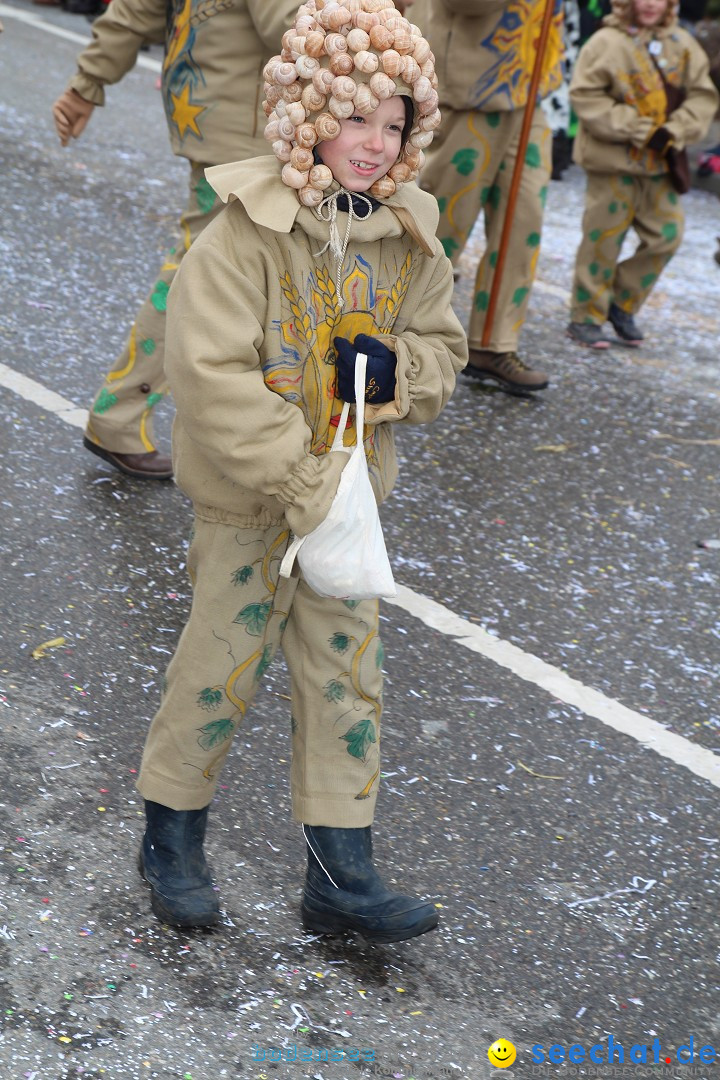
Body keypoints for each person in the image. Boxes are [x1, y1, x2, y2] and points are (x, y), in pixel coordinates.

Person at [134, 0, 468, 940]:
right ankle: (172, 838)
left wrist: (403, 371)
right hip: (253, 507)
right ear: (310, 112)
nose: (373, 142)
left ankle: (340, 872)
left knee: (346, 679)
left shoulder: (409, 236)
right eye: (355, 116)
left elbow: (443, 350)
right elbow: (210, 380)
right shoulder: (241, 233)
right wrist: (308, 483)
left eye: (394, 123)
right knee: (220, 666)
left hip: (347, 509)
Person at [52, 0, 300, 479]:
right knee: (203, 276)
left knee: (237, 276)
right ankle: (119, 416)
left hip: (208, 111)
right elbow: (291, 26)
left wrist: (87, 83)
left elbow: (131, 12)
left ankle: (247, 426)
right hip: (246, 129)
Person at [416, 0, 564, 394]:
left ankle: (493, 345)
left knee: (523, 224)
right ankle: (396, 331)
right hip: (473, 95)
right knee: (443, 225)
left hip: (529, 94)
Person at [566, 0, 718, 347]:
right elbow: (586, 97)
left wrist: (677, 129)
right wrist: (640, 129)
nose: (649, 3)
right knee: (602, 240)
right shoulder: (605, 42)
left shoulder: (682, 44)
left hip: (660, 165)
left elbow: (702, 97)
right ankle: (585, 317)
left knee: (668, 235)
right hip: (612, 164)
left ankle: (621, 303)